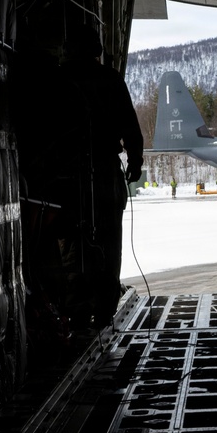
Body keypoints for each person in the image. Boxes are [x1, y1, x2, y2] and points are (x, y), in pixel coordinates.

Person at [59, 23, 143, 328]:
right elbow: (130, 126)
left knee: (71, 242)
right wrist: (135, 160)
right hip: (105, 174)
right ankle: (105, 307)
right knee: (109, 242)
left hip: (67, 177)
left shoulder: (58, 80)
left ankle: (76, 306)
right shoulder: (110, 79)